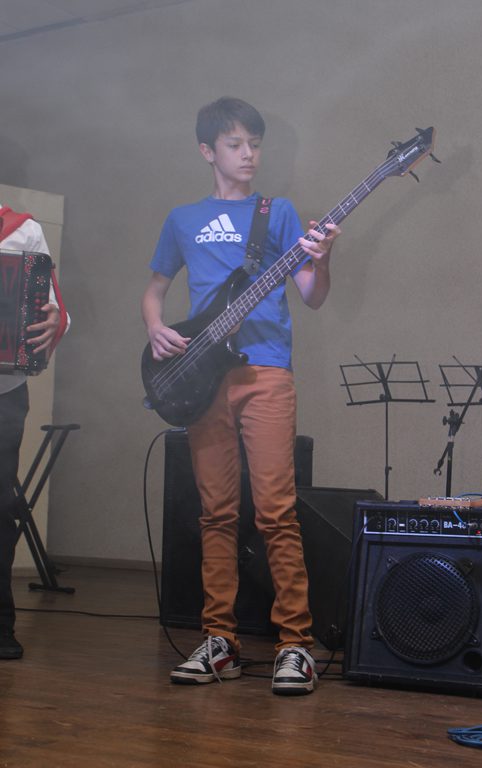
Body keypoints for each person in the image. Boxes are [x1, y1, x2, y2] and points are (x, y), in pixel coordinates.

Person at [142, 97, 340, 695]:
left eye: (255, 143)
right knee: (216, 513)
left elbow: (312, 295)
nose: (249, 153)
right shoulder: (183, 218)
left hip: (265, 373)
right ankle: (218, 640)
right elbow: (155, 288)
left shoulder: (277, 213)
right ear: (208, 151)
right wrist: (155, 327)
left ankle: (295, 644)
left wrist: (322, 259)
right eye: (236, 144)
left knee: (276, 510)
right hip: (203, 378)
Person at [0, 207, 68, 659]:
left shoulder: (22, 230)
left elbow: (57, 311)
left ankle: (0, 624)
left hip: (3, 392)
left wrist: (53, 321)